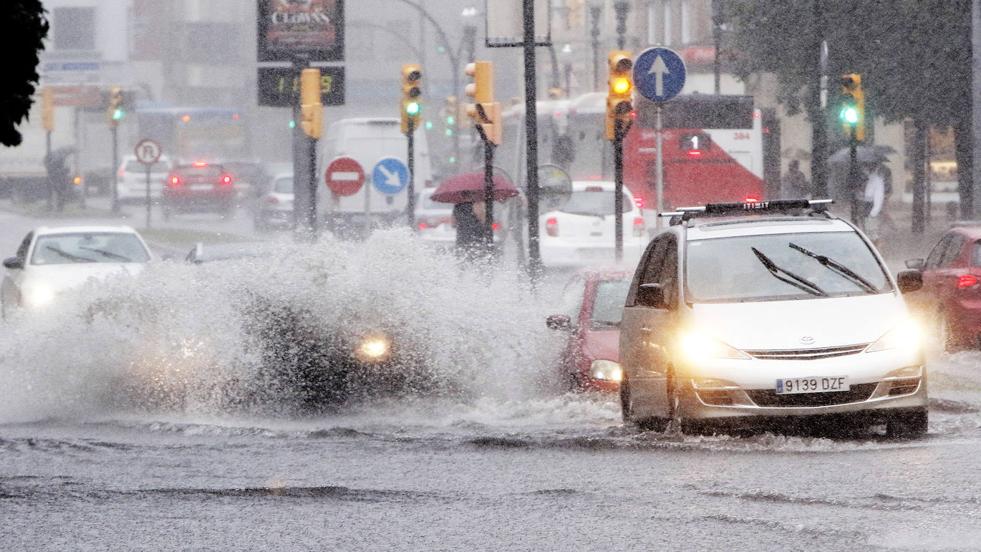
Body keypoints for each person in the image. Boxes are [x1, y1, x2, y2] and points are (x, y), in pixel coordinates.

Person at [862, 163, 886, 245]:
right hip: (867, 208)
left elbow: (878, 197)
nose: (864, 170)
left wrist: (873, 212)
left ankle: (877, 251)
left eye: (866, 167)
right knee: (869, 231)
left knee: (873, 232)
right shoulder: (870, 180)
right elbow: (867, 195)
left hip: (871, 209)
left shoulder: (877, 181)